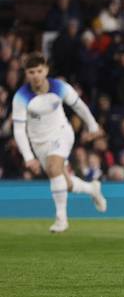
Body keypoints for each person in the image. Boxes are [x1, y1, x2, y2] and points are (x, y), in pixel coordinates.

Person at [12, 52, 107, 233]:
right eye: (31, 72)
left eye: (39, 71)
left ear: (46, 70)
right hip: (39, 143)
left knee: (54, 168)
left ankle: (61, 219)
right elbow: (18, 129)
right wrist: (28, 157)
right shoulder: (21, 97)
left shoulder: (60, 87)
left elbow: (79, 106)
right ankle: (92, 189)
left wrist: (93, 126)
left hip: (62, 133)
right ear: (26, 74)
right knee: (65, 183)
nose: (36, 75)